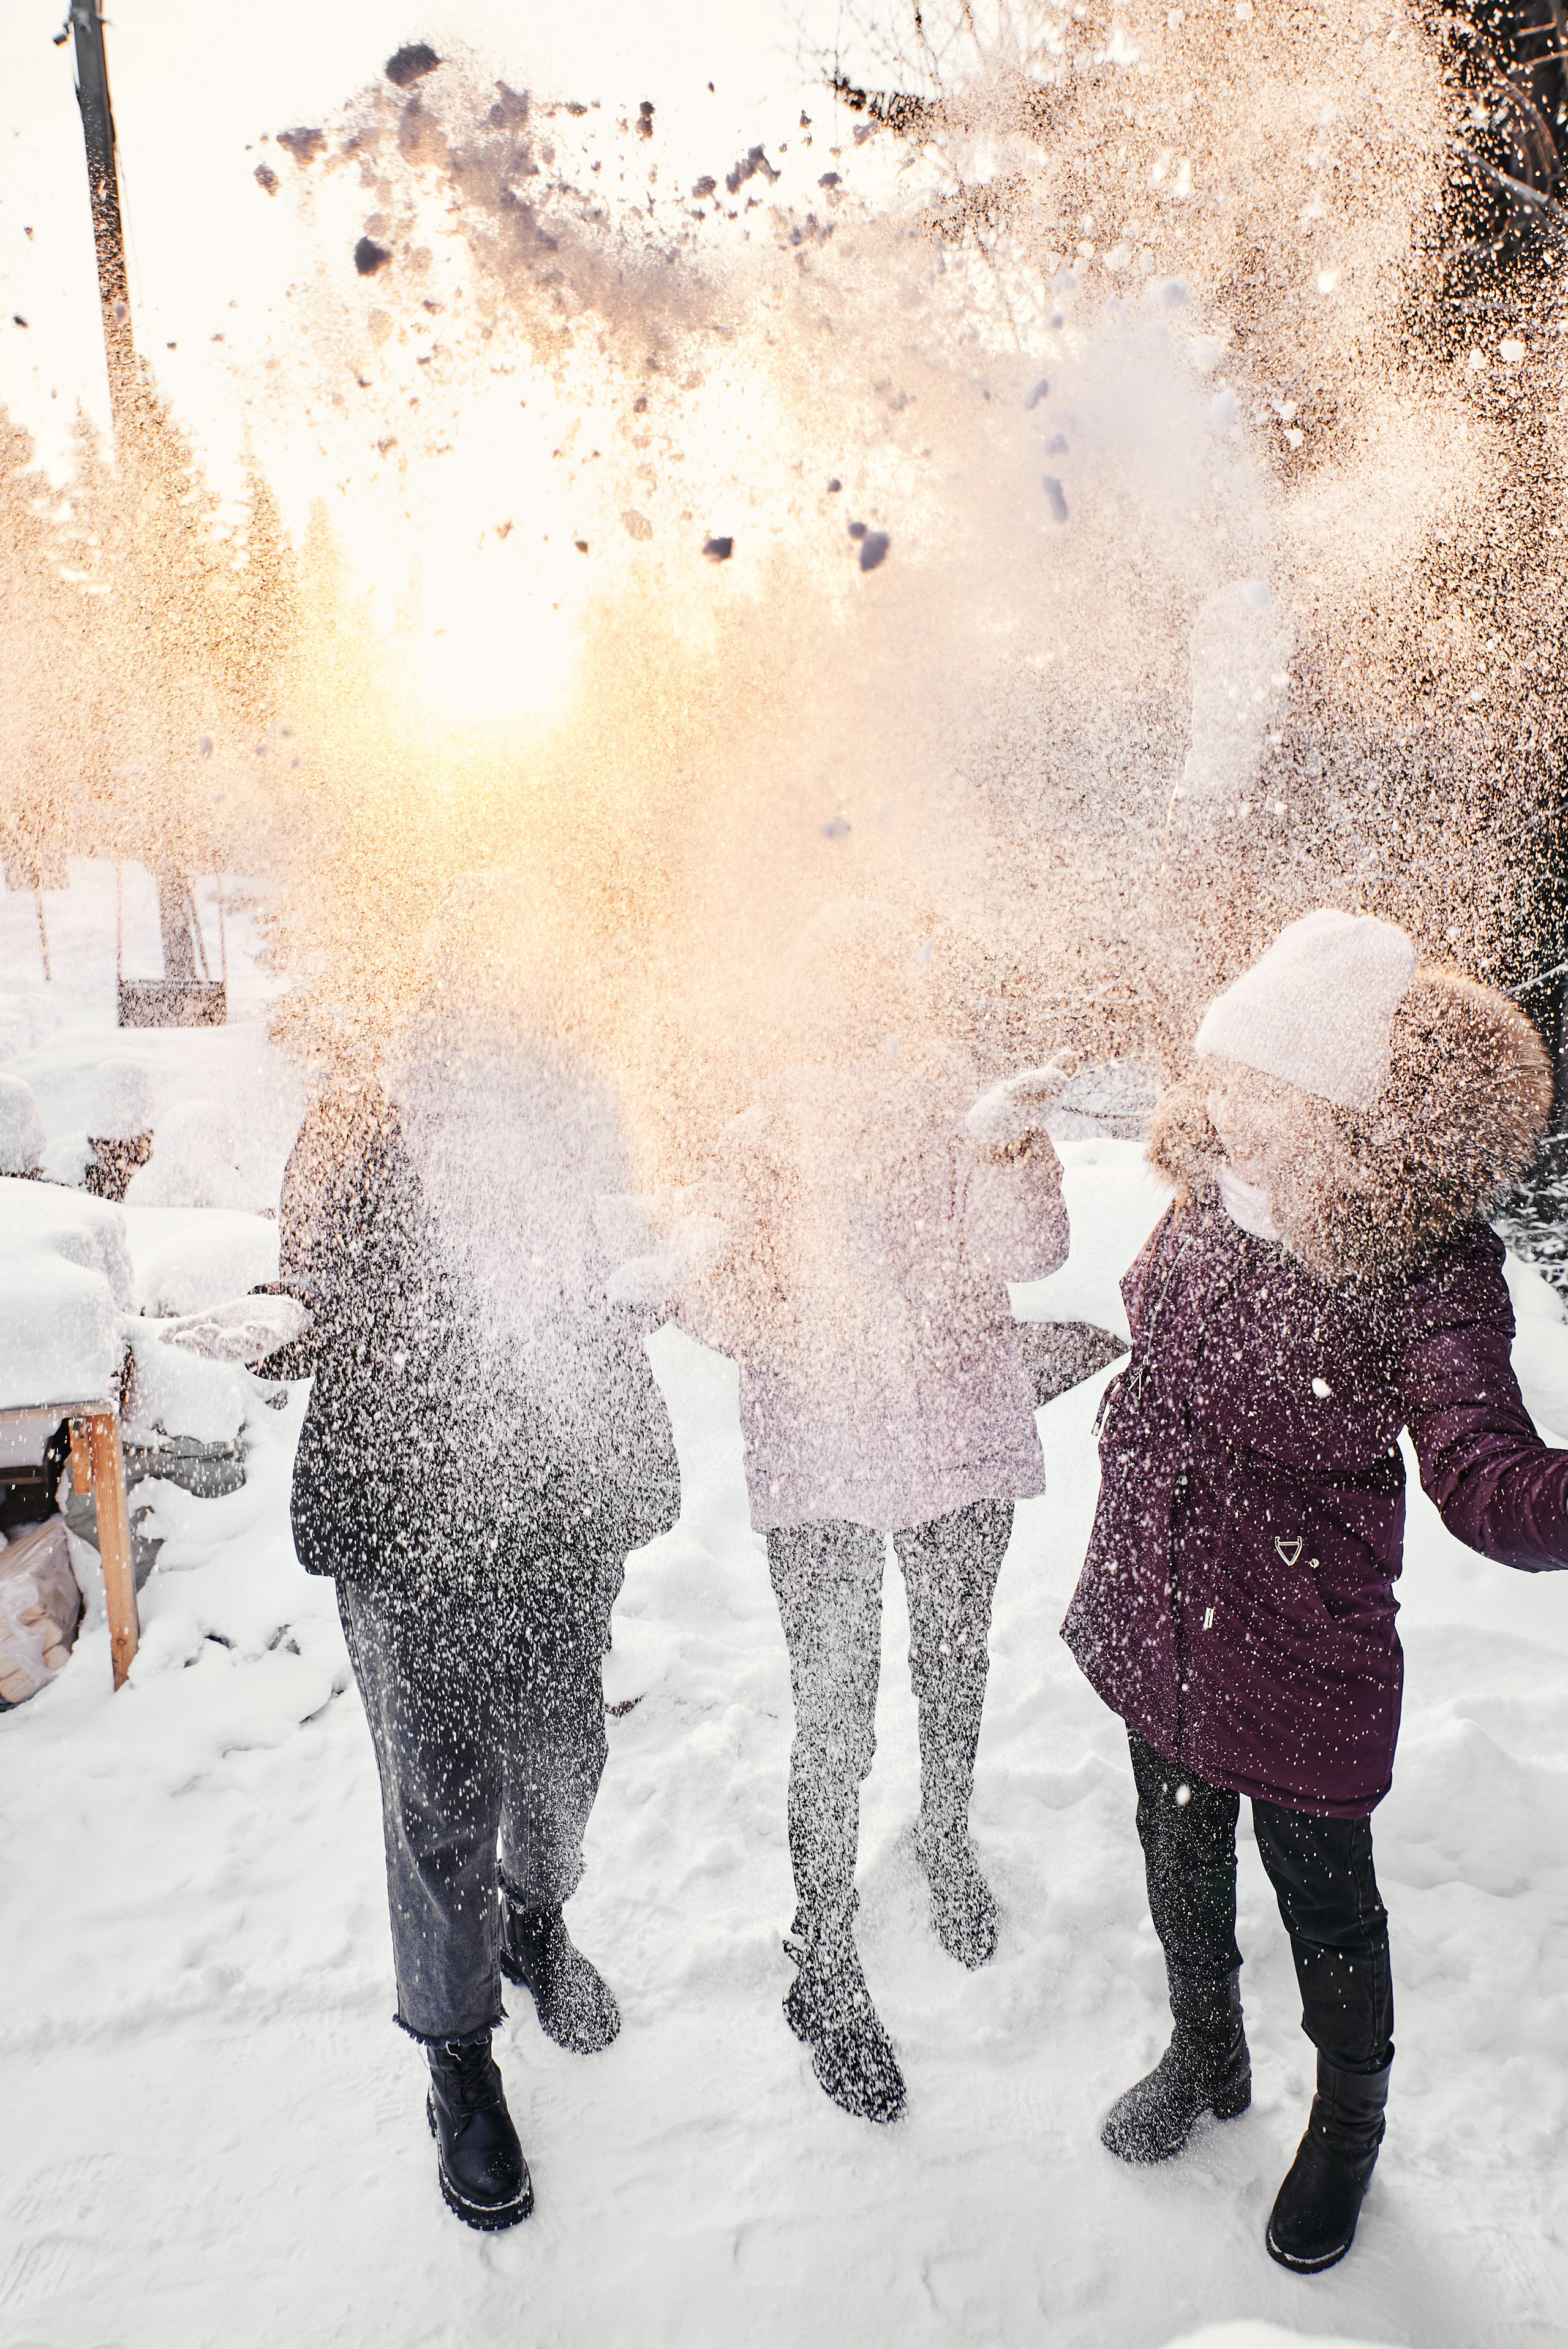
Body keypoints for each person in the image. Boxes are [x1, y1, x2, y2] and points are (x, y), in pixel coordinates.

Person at [1062, 907, 1568, 2273]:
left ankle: (1347, 2127)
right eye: (1220, 1069)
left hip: (1298, 1644)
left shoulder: (1425, 1263)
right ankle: (1204, 2053)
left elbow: (1487, 1478)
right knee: (1175, 1857)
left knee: (1326, 1905)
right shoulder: (1206, 1183)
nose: (1220, 1100)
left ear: (1343, 1107)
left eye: (1259, 1081)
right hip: (1159, 1602)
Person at [281, 891, 679, 2231]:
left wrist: (662, 1269)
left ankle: (538, 1919)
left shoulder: (588, 1110)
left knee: (564, 1760)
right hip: (407, 1518)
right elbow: (312, 1282)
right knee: (438, 1800)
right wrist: (299, 1307)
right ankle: (458, 2058)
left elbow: (632, 1259)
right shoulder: (361, 1121)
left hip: (556, 1509)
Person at [685, 901, 1070, 2124]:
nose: (858, 1032)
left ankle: (946, 1837)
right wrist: (723, 1268)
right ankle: (823, 1943)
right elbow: (724, 1313)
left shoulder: (963, 1116)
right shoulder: (758, 1144)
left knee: (951, 1666)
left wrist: (1008, 1152)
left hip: (954, 1444)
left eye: (877, 1003)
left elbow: (1032, 1251)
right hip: (824, 1462)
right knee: (834, 1712)